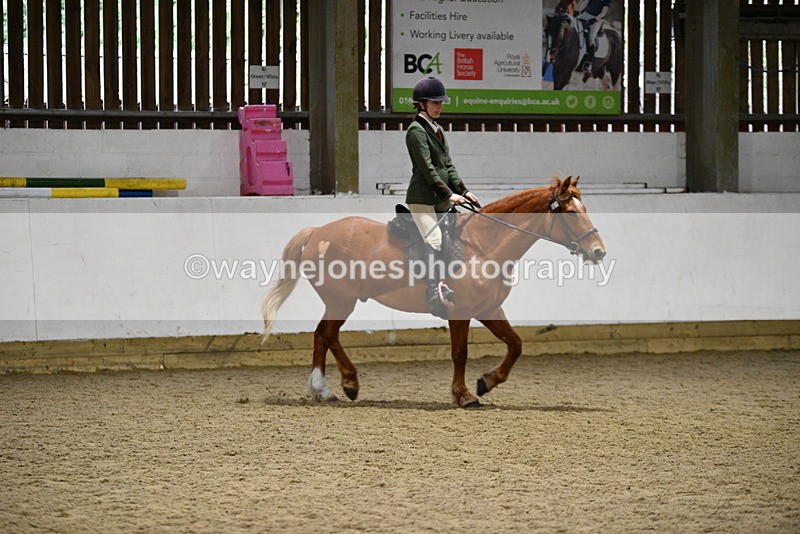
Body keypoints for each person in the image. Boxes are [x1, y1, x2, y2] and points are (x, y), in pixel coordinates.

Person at [405, 76, 479, 319]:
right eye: (435, 103)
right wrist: (450, 195)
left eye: (440, 103)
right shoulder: (416, 131)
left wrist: (464, 190)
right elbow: (427, 170)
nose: (440, 107)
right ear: (422, 104)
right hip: (422, 198)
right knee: (435, 239)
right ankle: (433, 292)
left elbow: (448, 166)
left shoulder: (437, 130)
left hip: (441, 198)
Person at [575, 0, 611, 72]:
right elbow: (585, 3)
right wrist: (578, 11)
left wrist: (595, 19)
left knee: (591, 38)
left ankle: (589, 63)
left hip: (597, 19)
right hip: (586, 14)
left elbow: (603, 12)